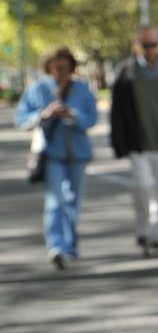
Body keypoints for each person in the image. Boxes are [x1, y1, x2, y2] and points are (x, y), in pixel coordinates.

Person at [110, 26, 158, 257]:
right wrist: (119, 142)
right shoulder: (126, 71)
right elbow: (117, 112)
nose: (150, 50)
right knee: (143, 188)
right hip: (138, 145)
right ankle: (143, 231)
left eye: (154, 44)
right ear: (136, 45)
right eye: (146, 45)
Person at [16, 47, 99, 270]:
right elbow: (21, 119)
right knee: (55, 202)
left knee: (73, 201)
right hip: (51, 153)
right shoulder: (39, 88)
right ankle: (57, 247)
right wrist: (43, 115)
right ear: (48, 68)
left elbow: (92, 119)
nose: (60, 72)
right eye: (55, 67)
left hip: (78, 153)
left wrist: (73, 115)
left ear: (71, 67)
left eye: (64, 67)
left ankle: (70, 245)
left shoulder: (82, 89)